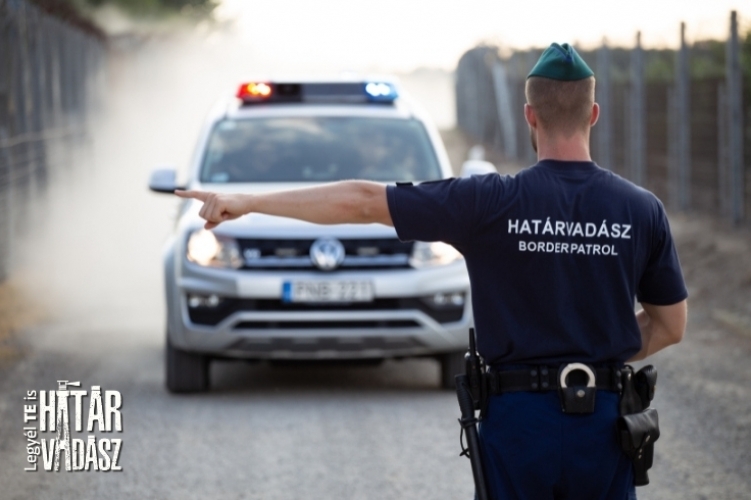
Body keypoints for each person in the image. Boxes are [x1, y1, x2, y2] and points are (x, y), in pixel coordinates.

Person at [175, 43, 687, 500]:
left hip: (518, 422)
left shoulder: (488, 203)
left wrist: (249, 202)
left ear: (529, 115)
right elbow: (669, 326)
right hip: (604, 422)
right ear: (593, 113)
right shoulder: (641, 210)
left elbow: (361, 201)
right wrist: (592, 354)